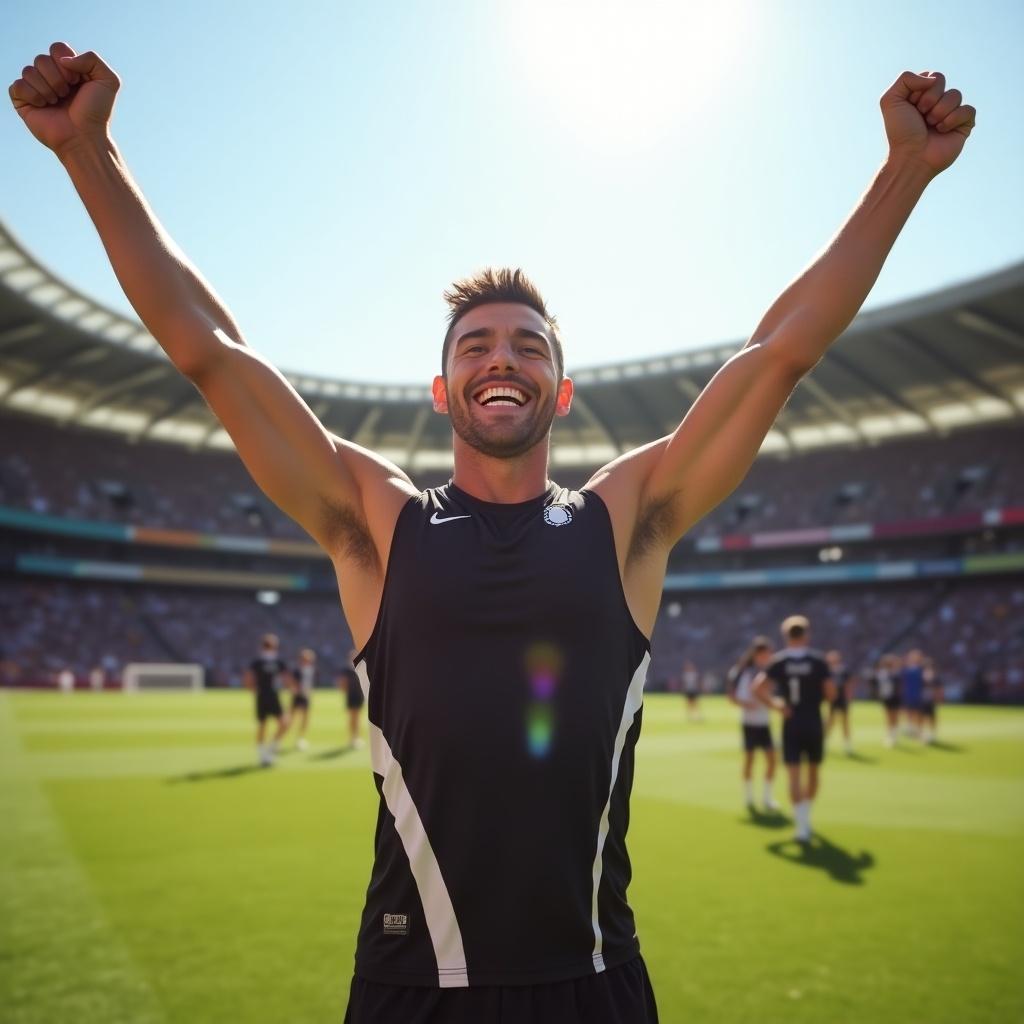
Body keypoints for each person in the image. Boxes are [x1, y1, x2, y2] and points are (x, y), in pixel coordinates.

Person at [10, 43, 975, 1021]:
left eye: (527, 345)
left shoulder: (627, 520)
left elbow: (777, 355)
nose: (498, 359)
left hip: (593, 983)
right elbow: (210, 352)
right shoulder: (376, 523)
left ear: (561, 386)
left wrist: (901, 172)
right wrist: (89, 152)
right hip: (411, 989)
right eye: (474, 345)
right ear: (442, 389)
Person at [753, 616, 836, 843]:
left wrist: (778, 706)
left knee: (793, 775)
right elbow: (831, 693)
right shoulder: (818, 662)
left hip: (792, 722)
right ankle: (806, 816)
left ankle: (800, 825)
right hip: (813, 720)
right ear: (806, 634)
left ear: (786, 636)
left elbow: (758, 689)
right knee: (813, 773)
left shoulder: (779, 661)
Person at [726, 637, 778, 812]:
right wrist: (750, 704)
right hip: (750, 722)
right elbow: (734, 697)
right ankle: (749, 796)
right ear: (758, 654)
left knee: (772, 760)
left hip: (764, 722)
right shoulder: (746, 672)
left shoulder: (768, 671)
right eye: (767, 653)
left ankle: (767, 797)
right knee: (750, 759)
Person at [243, 633, 290, 767]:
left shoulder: (266, 662)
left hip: (266, 695)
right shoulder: (265, 662)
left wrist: (252, 688)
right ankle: (268, 749)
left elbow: (248, 679)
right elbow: (286, 679)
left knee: (267, 724)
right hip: (269, 695)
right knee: (275, 723)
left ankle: (267, 749)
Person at [824, 649, 855, 755]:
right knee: (829, 721)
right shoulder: (827, 671)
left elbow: (849, 684)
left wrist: (849, 697)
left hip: (842, 699)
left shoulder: (843, 670)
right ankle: (825, 742)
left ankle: (847, 743)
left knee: (845, 721)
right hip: (832, 700)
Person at [288, 647, 317, 751]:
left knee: (305, 718)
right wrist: (297, 690)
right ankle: (282, 736)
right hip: (298, 696)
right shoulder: (297, 670)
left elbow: (309, 683)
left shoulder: (310, 669)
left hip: (306, 696)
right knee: (290, 717)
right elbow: (292, 683)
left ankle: (300, 738)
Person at [336, 649, 365, 750]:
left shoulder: (361, 667)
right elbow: (341, 683)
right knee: (353, 717)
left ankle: (355, 737)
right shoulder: (348, 669)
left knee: (356, 717)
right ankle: (353, 738)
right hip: (352, 695)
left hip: (359, 695)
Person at [873, 653, 903, 748]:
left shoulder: (896, 673)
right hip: (887, 697)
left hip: (895, 697)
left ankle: (894, 734)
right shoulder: (883, 673)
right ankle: (890, 734)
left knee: (894, 716)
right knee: (888, 716)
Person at [920, 656, 942, 744]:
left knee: (931, 717)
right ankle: (924, 734)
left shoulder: (934, 676)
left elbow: (938, 688)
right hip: (923, 699)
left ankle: (932, 734)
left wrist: (938, 698)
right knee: (923, 717)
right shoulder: (921, 675)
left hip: (931, 699)